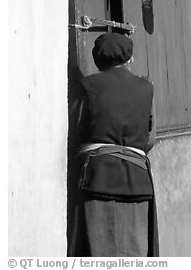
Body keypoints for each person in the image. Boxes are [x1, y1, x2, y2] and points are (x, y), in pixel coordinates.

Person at [68, 32, 158, 257]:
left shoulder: (86, 86)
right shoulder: (146, 88)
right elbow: (150, 139)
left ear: (98, 59)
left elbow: (76, 131)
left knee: (95, 250)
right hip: (137, 181)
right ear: (129, 59)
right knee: (135, 250)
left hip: (96, 178)